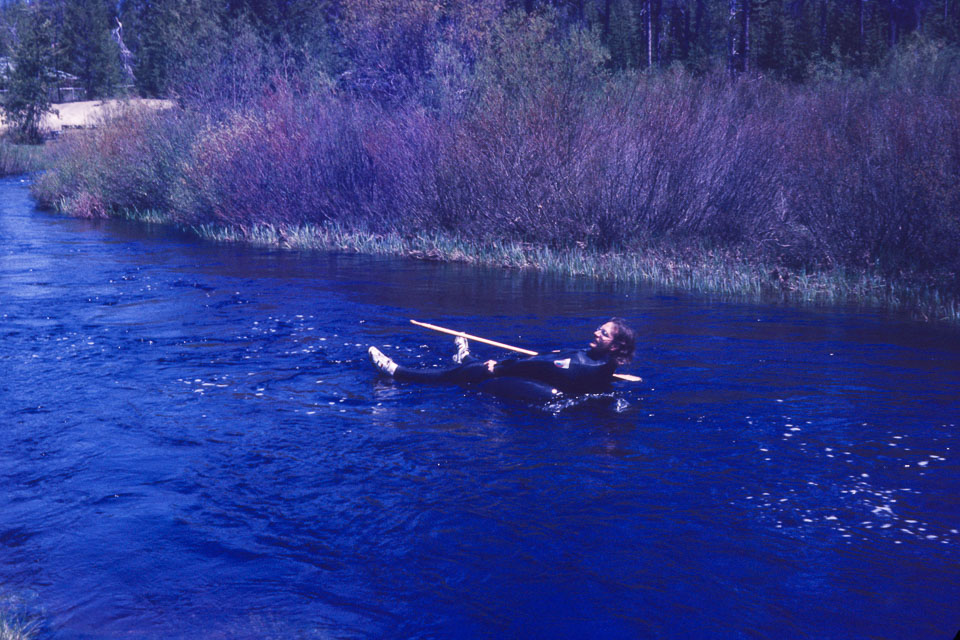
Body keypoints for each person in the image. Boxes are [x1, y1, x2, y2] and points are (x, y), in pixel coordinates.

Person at [368, 319, 636, 398]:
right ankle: (466, 355)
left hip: (533, 380)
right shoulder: (606, 365)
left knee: (458, 375)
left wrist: (499, 368)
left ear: (615, 346)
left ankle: (397, 372)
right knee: (475, 364)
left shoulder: (580, 364)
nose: (595, 332)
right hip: (545, 377)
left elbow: (537, 364)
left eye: (603, 333)